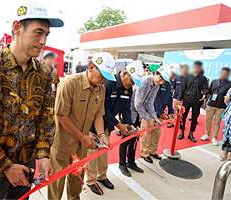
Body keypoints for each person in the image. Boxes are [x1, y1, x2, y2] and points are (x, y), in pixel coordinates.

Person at [0, 2, 64, 199]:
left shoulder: (45, 73)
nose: (43, 40)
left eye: (46, 34)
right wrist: (7, 166)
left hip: (26, 164)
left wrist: (43, 154)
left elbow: (46, 117)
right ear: (17, 28)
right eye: (38, 33)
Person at [48, 52, 115, 200]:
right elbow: (60, 115)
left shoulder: (101, 88)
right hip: (62, 144)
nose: (104, 80)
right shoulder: (69, 83)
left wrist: (102, 134)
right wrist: (82, 137)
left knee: (76, 182)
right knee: (57, 184)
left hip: (82, 145)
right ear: (91, 67)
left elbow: (98, 115)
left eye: (107, 77)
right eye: (102, 75)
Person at [87, 60, 144, 195]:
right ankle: (91, 180)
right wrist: (118, 125)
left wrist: (129, 124)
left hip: (108, 126)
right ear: (124, 74)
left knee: (103, 152)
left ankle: (102, 176)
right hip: (95, 124)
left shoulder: (128, 89)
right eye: (132, 81)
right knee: (92, 154)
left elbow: (126, 108)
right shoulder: (108, 84)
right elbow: (103, 109)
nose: (132, 85)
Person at [119, 66, 171, 176]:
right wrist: (148, 119)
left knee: (135, 138)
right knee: (126, 139)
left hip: (139, 114)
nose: (161, 82)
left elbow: (150, 102)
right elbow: (137, 104)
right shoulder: (144, 81)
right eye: (160, 79)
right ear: (156, 73)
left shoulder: (156, 86)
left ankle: (131, 161)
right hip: (129, 112)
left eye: (164, 81)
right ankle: (122, 163)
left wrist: (154, 117)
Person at [141, 65, 178, 163]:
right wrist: (161, 112)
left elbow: (170, 98)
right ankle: (144, 152)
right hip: (150, 112)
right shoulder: (158, 81)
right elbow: (155, 98)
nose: (174, 76)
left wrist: (171, 111)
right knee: (146, 133)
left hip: (160, 114)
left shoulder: (169, 83)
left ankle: (152, 151)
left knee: (156, 133)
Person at [201, 67, 231, 145]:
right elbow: (209, 93)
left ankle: (214, 137)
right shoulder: (214, 81)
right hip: (211, 104)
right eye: (222, 73)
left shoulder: (230, 84)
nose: (223, 75)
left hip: (221, 106)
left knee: (217, 122)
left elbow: (230, 97)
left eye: (225, 74)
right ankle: (207, 134)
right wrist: (205, 102)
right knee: (208, 120)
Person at [178, 61, 209, 142]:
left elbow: (206, 88)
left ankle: (191, 134)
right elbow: (182, 88)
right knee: (183, 117)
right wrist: (179, 99)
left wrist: (204, 94)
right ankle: (181, 133)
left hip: (197, 101)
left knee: (194, 118)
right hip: (186, 99)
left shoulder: (203, 78)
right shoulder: (187, 77)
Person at [168, 64, 189, 128]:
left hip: (183, 98)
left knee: (181, 112)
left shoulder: (188, 78)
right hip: (175, 97)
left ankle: (180, 123)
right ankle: (172, 122)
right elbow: (173, 87)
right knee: (173, 110)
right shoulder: (177, 77)